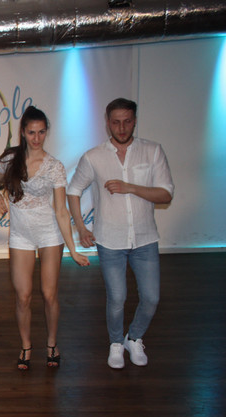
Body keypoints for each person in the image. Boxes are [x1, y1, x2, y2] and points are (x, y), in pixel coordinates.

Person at [68, 98, 174, 369]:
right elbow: (73, 190)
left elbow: (166, 193)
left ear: (135, 120)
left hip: (145, 238)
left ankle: (134, 338)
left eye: (127, 121)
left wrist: (130, 187)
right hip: (110, 240)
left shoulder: (152, 151)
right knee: (116, 298)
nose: (122, 127)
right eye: (116, 122)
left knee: (151, 298)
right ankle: (116, 342)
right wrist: (80, 226)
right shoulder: (93, 156)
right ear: (107, 123)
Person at [0, 106, 90, 370]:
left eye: (41, 132)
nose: (36, 138)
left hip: (49, 234)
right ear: (23, 132)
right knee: (22, 296)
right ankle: (26, 345)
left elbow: (61, 211)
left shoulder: (55, 166)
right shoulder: (10, 160)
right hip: (20, 235)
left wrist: (73, 250)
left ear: (47, 132)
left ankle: (52, 343)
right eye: (31, 132)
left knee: (49, 294)